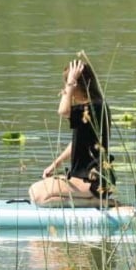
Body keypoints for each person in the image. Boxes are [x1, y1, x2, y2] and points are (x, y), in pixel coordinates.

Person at [29, 54, 116, 207]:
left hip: (93, 181)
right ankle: (89, 199)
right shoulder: (91, 107)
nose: (65, 88)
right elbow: (77, 142)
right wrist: (55, 164)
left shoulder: (94, 107)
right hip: (81, 178)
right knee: (35, 191)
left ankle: (97, 201)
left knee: (39, 197)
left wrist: (70, 82)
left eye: (67, 83)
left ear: (77, 84)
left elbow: (62, 111)